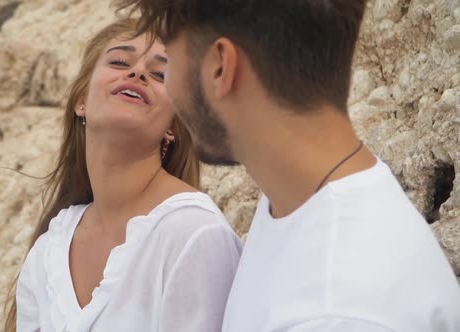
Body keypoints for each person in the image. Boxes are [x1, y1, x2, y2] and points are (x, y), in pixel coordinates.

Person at [114, 1, 460, 331]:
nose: (170, 87)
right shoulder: (297, 200)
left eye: (170, 61)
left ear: (220, 67)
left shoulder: (339, 310)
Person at [3, 18, 242, 332]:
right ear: (81, 101)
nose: (138, 72)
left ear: (174, 124)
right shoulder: (48, 251)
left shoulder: (193, 234)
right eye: (119, 61)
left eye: (160, 74)